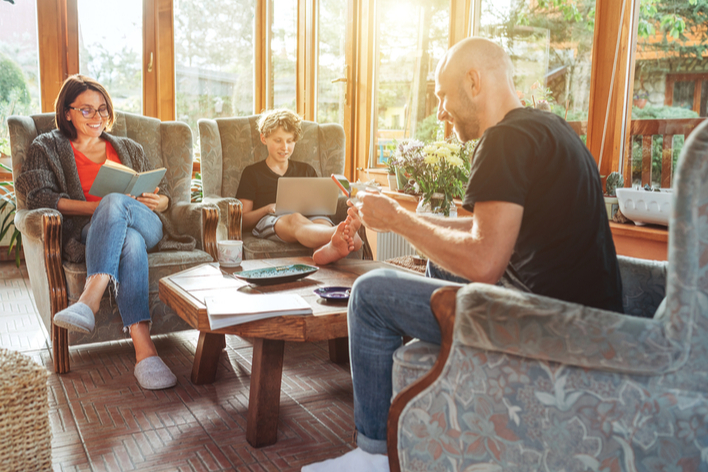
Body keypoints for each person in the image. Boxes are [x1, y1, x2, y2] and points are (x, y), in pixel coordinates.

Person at [301, 37, 623, 471]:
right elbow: (482, 232)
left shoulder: (504, 140)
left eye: (441, 96)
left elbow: (484, 262)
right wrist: (399, 216)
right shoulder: (550, 129)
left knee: (370, 294)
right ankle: (434, 404)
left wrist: (397, 220)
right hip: (583, 318)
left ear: (473, 82)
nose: (439, 111)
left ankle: (373, 454)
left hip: (545, 328)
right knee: (438, 264)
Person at [15, 75, 195, 390]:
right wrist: (102, 208)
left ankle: (89, 299)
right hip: (91, 231)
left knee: (124, 215)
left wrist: (160, 199)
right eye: (86, 110)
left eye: (102, 110)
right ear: (67, 111)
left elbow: (165, 195)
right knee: (129, 240)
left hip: (148, 223)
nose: (97, 118)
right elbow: (39, 198)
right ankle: (145, 352)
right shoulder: (47, 147)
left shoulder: (128, 147)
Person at [236, 109, 362, 265]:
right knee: (295, 218)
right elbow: (242, 219)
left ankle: (328, 249)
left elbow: (320, 206)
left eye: (290, 141)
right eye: (278, 141)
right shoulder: (252, 173)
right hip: (271, 220)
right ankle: (341, 233)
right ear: (264, 138)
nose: (285, 147)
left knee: (321, 221)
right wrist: (267, 208)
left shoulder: (306, 170)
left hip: (309, 216)